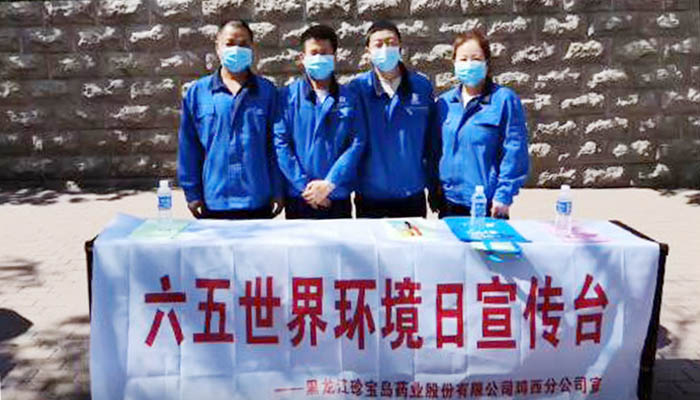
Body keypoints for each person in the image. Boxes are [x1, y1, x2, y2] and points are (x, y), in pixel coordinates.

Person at [177, 20, 283, 219]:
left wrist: (278, 190)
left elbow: (275, 145)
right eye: (230, 43)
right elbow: (189, 147)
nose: (236, 49)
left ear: (252, 49)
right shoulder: (198, 93)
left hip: (258, 198)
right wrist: (192, 192)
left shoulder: (267, 92)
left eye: (243, 44)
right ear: (218, 47)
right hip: (214, 199)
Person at [273, 25, 366, 219]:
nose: (319, 58)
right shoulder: (287, 97)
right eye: (313, 53)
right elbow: (281, 144)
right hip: (300, 198)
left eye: (324, 53)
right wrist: (306, 188)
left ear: (334, 57)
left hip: (336, 195)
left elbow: (357, 143)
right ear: (302, 58)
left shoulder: (350, 98)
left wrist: (330, 184)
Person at [348, 20, 438, 219]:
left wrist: (434, 186)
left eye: (391, 43)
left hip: (411, 194)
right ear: (368, 51)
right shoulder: (357, 89)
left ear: (400, 47)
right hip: (370, 196)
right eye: (378, 44)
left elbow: (432, 143)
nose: (385, 49)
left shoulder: (421, 87)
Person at [435, 30, 529, 219]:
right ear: (454, 63)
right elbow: (434, 150)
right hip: (449, 202)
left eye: (476, 59)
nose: (469, 64)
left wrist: (504, 196)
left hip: (487, 205)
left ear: (487, 63)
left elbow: (514, 152)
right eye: (463, 59)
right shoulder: (445, 103)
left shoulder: (504, 100)